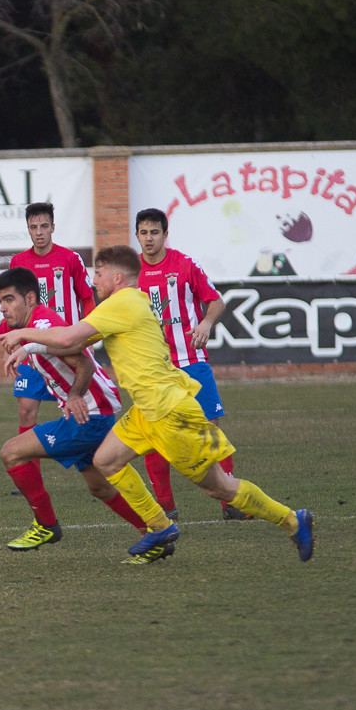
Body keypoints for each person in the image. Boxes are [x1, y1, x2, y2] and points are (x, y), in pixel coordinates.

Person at [0, 245, 315, 563]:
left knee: (219, 487)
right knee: (106, 461)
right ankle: (160, 526)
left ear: (116, 277)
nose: (94, 281)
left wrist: (22, 335)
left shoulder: (120, 303)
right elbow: (77, 340)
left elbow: (68, 339)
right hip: (146, 410)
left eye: (99, 273)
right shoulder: (131, 301)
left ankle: (291, 519)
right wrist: (31, 347)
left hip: (169, 411)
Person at [0, 268, 157, 558]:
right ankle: (153, 532)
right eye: (0, 300)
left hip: (90, 415)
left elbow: (84, 363)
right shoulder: (22, 325)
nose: (3, 306)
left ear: (29, 298)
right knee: (99, 487)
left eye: (9, 299)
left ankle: (47, 524)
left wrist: (74, 395)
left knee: (12, 452)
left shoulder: (45, 324)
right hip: (88, 414)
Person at [134, 207, 244, 521]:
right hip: (155, 370)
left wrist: (207, 324)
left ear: (165, 235)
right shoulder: (131, 275)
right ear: (137, 235)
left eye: (155, 232)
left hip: (192, 362)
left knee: (211, 430)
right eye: (144, 232)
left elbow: (216, 301)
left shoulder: (184, 265)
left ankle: (231, 503)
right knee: (154, 437)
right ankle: (166, 507)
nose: (149, 238)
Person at [4, 202, 96, 494]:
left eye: (44, 226)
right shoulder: (18, 262)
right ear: (28, 229)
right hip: (31, 353)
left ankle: (97, 468)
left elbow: (87, 299)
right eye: (34, 227)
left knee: (79, 411)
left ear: (53, 227)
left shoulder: (70, 259)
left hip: (66, 352)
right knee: (26, 411)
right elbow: (12, 305)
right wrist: (12, 340)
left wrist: (87, 335)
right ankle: (30, 475)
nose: (39, 232)